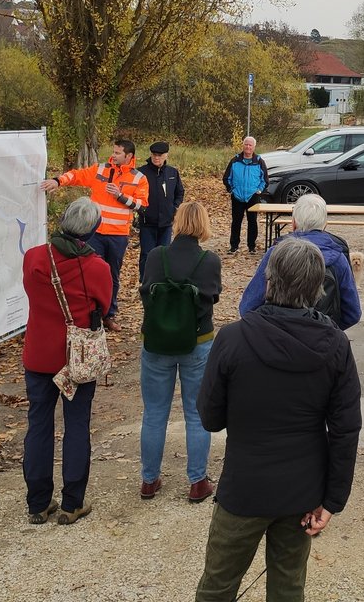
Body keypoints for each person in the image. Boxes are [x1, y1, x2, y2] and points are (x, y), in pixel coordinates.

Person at [195, 238, 362, 602]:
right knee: (288, 588)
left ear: (269, 283)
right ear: (318, 290)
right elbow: (346, 429)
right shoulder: (335, 345)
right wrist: (332, 498)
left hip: (245, 486)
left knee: (218, 586)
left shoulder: (233, 339)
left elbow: (210, 416)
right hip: (302, 489)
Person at [20, 197, 113, 525]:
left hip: (38, 355)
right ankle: (72, 502)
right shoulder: (97, 268)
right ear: (93, 230)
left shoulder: (33, 258)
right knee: (76, 425)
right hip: (77, 360)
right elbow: (103, 305)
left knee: (39, 425)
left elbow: (32, 293)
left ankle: (38, 503)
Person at [137, 201, 221, 504]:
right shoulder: (209, 261)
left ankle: (149, 479)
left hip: (157, 341)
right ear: (203, 224)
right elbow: (213, 298)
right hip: (197, 341)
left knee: (155, 413)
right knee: (196, 414)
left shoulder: (156, 256)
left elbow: (145, 293)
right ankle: (197, 481)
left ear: (177, 222)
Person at [39, 139, 149, 331]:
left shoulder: (139, 178)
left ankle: (109, 314)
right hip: (94, 234)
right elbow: (77, 175)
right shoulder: (101, 170)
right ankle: (89, 314)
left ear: (129, 156)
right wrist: (58, 181)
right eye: (113, 152)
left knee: (111, 275)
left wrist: (120, 195)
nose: (113, 155)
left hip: (118, 236)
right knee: (88, 273)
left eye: (118, 153)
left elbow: (142, 206)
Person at [239, 194, 361, 330]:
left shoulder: (275, 254)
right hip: (322, 339)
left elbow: (248, 306)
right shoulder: (338, 259)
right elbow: (353, 313)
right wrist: (329, 329)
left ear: (293, 223)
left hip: (277, 336)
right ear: (325, 225)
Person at [137, 141, 185, 276]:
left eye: (159, 155)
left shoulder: (172, 172)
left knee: (164, 254)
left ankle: (162, 283)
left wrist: (174, 208)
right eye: (154, 155)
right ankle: (145, 282)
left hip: (166, 222)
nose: (156, 158)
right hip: (147, 222)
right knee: (147, 254)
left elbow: (179, 192)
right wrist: (140, 210)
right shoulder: (141, 173)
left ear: (166, 155)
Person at [222, 136, 269, 254]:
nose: (248, 147)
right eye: (246, 144)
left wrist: (259, 190)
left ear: (254, 147)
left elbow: (265, 180)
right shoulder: (235, 160)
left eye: (250, 145)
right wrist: (231, 189)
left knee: (252, 221)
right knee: (236, 221)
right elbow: (226, 178)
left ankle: (251, 247)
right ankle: (234, 246)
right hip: (237, 196)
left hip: (252, 196)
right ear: (243, 145)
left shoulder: (259, 161)